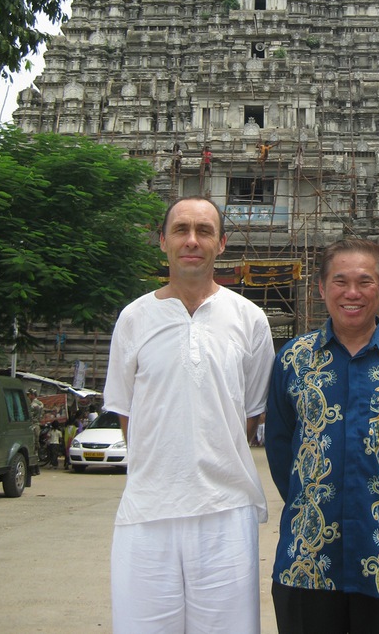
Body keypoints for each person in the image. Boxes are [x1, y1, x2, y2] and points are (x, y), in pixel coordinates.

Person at [104, 195, 274, 634]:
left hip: (226, 511)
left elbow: (251, 414)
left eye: (204, 231)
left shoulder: (250, 319)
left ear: (222, 243)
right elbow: (127, 414)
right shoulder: (133, 318)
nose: (192, 240)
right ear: (162, 240)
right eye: (181, 230)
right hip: (147, 512)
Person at [265, 238, 379, 634]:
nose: (353, 293)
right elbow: (279, 449)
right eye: (340, 281)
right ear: (322, 288)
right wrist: (310, 498)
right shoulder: (293, 359)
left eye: (365, 281)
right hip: (306, 557)